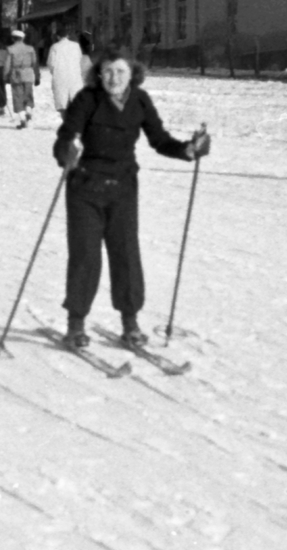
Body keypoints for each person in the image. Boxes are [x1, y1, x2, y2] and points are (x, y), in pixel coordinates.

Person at [52, 47, 211, 349]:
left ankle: (130, 323)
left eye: (120, 72)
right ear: (99, 74)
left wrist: (189, 149)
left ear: (132, 74)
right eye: (108, 71)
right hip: (85, 187)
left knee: (126, 255)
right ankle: (75, 325)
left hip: (123, 188)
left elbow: (159, 140)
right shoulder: (88, 99)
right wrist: (66, 152)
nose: (114, 77)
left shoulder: (140, 101)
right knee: (86, 256)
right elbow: (65, 135)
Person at [47, 26, 86, 114]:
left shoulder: (55, 47)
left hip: (60, 77)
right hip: (74, 76)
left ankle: (66, 122)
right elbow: (81, 60)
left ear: (58, 37)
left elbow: (51, 63)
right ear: (67, 36)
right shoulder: (76, 46)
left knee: (62, 104)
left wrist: (54, 72)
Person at [6, 27, 39, 128]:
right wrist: (37, 76)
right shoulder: (30, 49)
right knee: (28, 95)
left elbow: (7, 65)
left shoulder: (10, 49)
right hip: (28, 74)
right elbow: (35, 63)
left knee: (18, 97)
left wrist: (5, 76)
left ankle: (23, 119)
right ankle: (29, 110)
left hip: (16, 75)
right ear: (23, 38)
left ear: (13, 38)